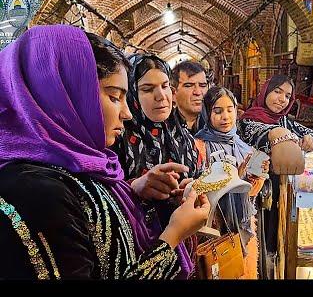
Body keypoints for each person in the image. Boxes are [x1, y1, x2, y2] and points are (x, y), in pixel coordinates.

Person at [0, 26, 209, 279]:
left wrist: (140, 195)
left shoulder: (87, 164)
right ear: (65, 95)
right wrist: (174, 235)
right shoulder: (31, 192)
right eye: (114, 97)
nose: (128, 113)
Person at [113, 54, 202, 259]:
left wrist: (191, 190)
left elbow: (197, 177)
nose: (161, 96)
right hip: (139, 251)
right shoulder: (117, 138)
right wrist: (134, 187)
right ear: (131, 94)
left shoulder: (182, 136)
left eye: (164, 86)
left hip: (185, 246)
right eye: (147, 89)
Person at [238, 74, 313, 278]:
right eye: (277, 91)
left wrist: (311, 139)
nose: (281, 99)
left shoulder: (283, 119)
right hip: (256, 195)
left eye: (287, 96)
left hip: (279, 191)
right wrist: (279, 135)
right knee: (257, 243)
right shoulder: (249, 120)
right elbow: (264, 134)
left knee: (275, 242)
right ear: (265, 91)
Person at [195, 86, 269, 279]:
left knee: (244, 270)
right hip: (214, 228)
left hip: (243, 225)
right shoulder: (199, 147)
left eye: (230, 110)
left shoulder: (243, 146)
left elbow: (251, 194)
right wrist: (233, 179)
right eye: (217, 111)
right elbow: (199, 187)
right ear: (207, 113)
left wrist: (254, 177)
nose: (225, 116)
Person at [171, 60, 209, 135]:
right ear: (173, 93)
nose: (198, 92)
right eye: (189, 86)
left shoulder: (218, 125)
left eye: (202, 85)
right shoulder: (163, 128)